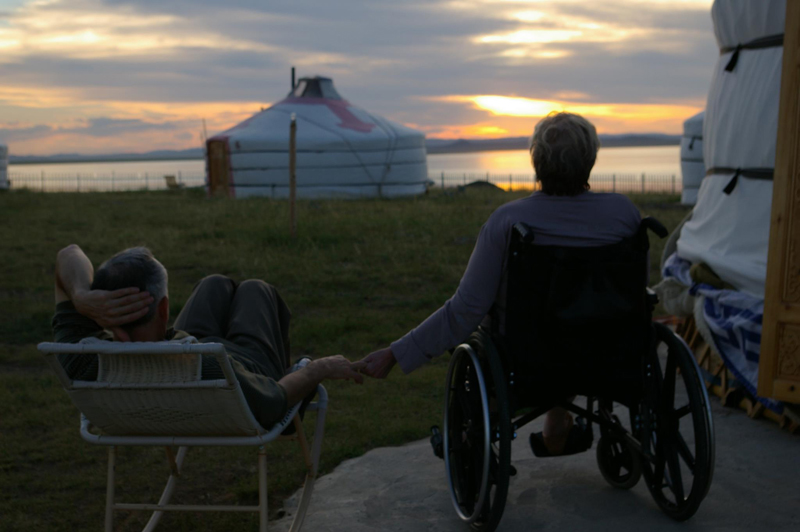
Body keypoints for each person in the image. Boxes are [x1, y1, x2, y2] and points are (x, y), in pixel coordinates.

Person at [360, 112, 642, 455]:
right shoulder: (623, 214)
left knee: (523, 330)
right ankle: (557, 426)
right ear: (590, 160)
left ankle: (483, 435)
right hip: (608, 351)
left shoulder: (509, 222)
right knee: (576, 320)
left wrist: (395, 354)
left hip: (531, 359)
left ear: (537, 161)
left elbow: (465, 311)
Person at [52, 244, 364, 429]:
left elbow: (68, 254)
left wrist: (80, 295)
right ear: (164, 308)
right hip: (240, 366)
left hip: (187, 354)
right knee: (256, 289)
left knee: (214, 283)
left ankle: (220, 286)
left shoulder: (81, 361)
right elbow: (273, 402)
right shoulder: (206, 365)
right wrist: (319, 368)